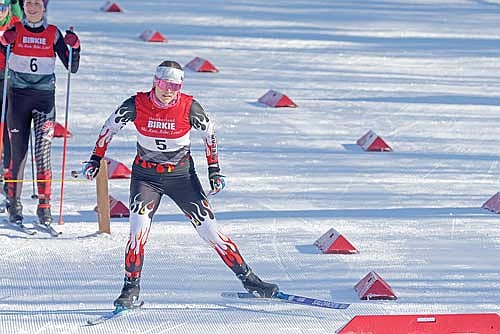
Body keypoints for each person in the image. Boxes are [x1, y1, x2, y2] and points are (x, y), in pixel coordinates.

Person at [83, 60, 279, 308]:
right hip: (146, 178)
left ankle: (250, 281)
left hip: (182, 177)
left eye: (174, 86)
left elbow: (210, 134)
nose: (168, 91)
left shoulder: (189, 107)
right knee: (137, 232)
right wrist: (95, 159)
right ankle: (130, 288)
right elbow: (108, 128)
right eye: (164, 84)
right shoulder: (136, 104)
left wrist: (214, 170)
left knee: (211, 232)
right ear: (155, 82)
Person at [0, 0, 80, 226]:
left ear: (44, 7)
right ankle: (14, 202)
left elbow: (71, 67)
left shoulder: (53, 34)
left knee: (42, 152)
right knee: (18, 154)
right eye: (28, 4)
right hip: (18, 100)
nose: (32, 8)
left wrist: (75, 47)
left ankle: (45, 206)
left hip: (44, 101)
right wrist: (3, 42)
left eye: (37, 3)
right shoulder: (14, 30)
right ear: (23, 6)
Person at [0, 0, 22, 200]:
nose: (0, 12)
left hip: (8, 79)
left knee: (9, 128)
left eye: (3, 8)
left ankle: (7, 175)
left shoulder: (15, 22)